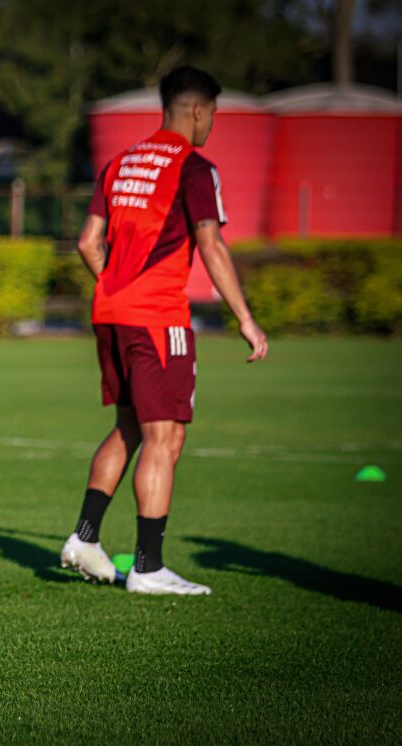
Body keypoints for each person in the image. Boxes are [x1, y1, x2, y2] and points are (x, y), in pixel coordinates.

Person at [59, 66, 269, 595]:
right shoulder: (195, 169)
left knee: (129, 425)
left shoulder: (120, 162)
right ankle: (148, 567)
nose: (212, 124)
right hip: (157, 318)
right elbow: (213, 245)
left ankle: (85, 538)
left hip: (109, 309)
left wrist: (113, 285)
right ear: (197, 110)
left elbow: (88, 242)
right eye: (213, 114)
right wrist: (245, 317)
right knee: (165, 435)